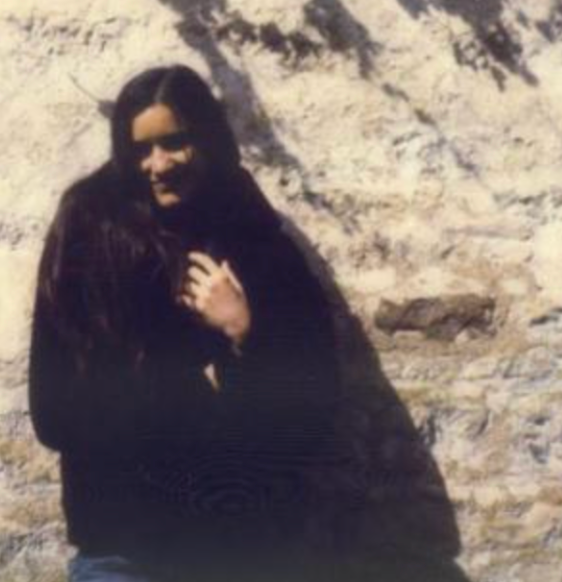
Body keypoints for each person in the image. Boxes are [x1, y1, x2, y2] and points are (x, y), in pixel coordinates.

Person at [29, 65, 340, 582]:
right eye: (140, 149)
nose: (158, 165)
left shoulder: (252, 236)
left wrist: (245, 333)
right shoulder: (90, 228)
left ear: (208, 137)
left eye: (175, 143)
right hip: (124, 546)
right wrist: (192, 388)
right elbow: (55, 411)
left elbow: (314, 402)